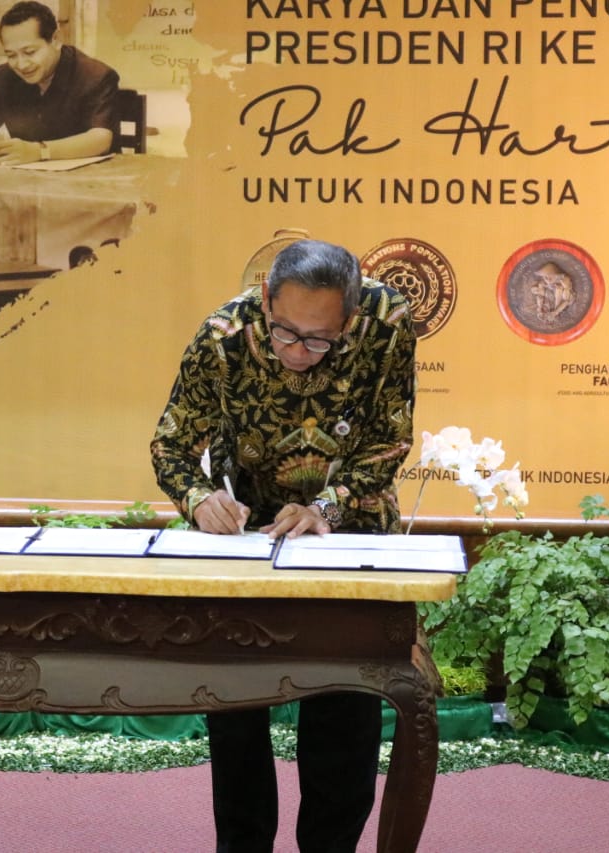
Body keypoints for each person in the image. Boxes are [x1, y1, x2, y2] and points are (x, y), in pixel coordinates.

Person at [150, 238, 416, 853]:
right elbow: (170, 447)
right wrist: (199, 499)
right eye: (285, 332)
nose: (298, 352)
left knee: (344, 707)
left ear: (350, 317)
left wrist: (326, 508)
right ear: (267, 297)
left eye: (319, 339)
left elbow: (389, 441)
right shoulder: (223, 336)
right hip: (248, 535)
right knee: (235, 709)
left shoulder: (388, 322)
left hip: (346, 529)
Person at [0, 1, 119, 165]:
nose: (21, 65)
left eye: (30, 52)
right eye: (11, 55)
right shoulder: (6, 76)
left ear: (56, 40)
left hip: (86, 180)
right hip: (26, 179)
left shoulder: (95, 76)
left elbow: (100, 139)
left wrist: (39, 151)